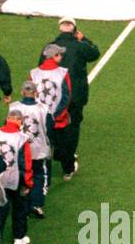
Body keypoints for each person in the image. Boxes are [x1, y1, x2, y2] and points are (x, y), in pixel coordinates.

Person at [40, 16, 100, 162]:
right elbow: (95, 53)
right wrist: (84, 39)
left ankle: (57, 150)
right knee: (73, 125)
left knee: (53, 122)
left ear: (60, 28)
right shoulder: (80, 45)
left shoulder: (50, 47)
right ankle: (69, 155)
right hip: (75, 94)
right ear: (74, 29)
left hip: (53, 94)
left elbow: (41, 68)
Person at [31, 43, 76, 181]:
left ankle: (41, 176)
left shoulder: (34, 73)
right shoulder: (62, 72)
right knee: (63, 146)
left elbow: (31, 95)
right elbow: (66, 96)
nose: (61, 56)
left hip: (38, 119)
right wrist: (58, 115)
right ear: (53, 56)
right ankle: (68, 171)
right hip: (58, 120)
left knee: (40, 147)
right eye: (59, 54)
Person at [0, 105, 34, 244]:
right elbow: (26, 163)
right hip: (15, 179)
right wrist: (27, 183)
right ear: (20, 121)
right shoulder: (22, 138)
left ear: (7, 119)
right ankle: (18, 237)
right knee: (19, 209)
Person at [14, 80, 52, 218]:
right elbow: (50, 128)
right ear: (36, 93)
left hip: (19, 150)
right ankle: (36, 204)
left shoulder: (14, 108)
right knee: (38, 175)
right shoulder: (44, 108)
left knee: (21, 176)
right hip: (39, 149)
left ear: (22, 91)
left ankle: (23, 204)